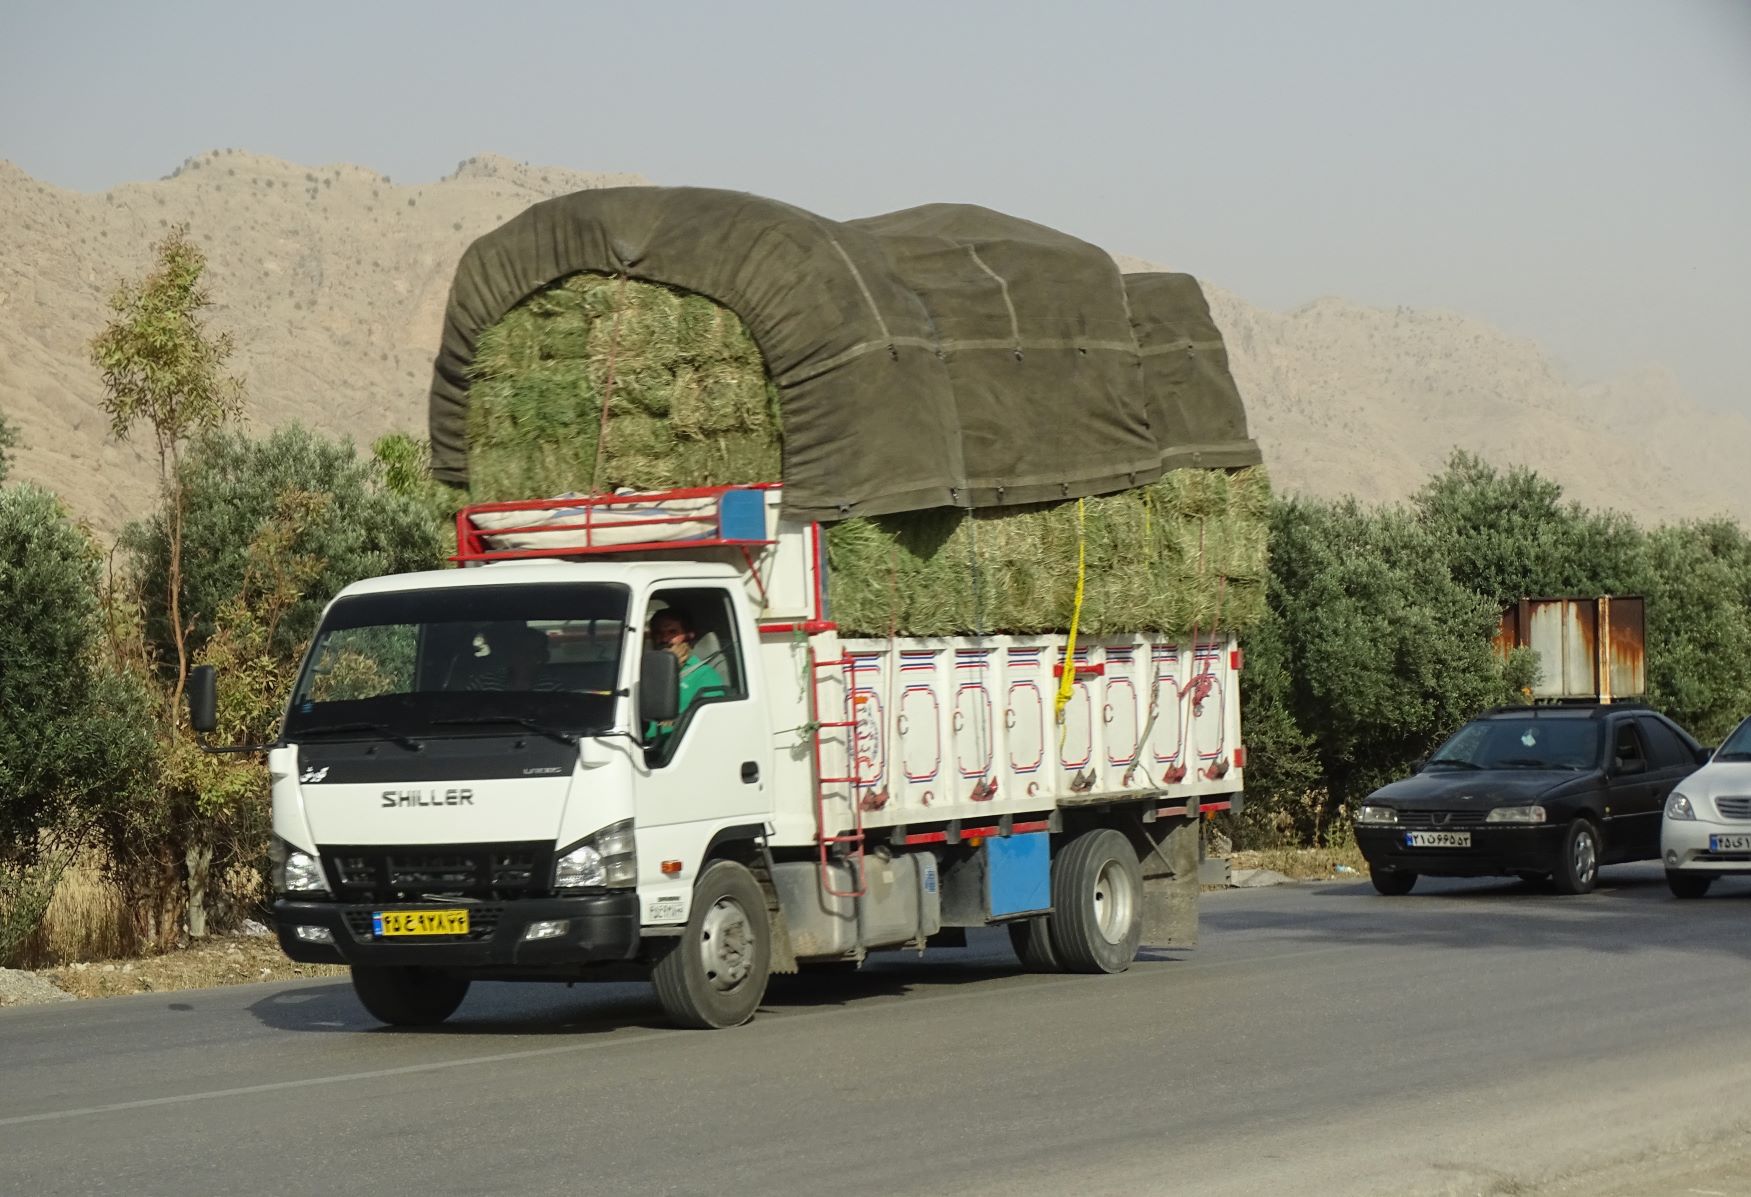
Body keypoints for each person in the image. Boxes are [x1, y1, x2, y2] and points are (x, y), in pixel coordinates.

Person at [644, 608, 726, 753]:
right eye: (659, 633)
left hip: (673, 750)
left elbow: (709, 726)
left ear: (689, 635)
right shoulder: (645, 668)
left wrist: (672, 673)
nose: (664, 640)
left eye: (672, 632)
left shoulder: (705, 675)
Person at [465, 623, 552, 691]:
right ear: (511, 654)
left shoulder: (551, 687)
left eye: (535, 653)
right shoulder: (484, 683)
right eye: (522, 651)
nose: (527, 658)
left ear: (543, 657)